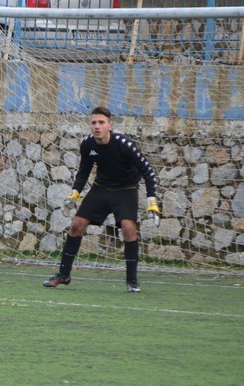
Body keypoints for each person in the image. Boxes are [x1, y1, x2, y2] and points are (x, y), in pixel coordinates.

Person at [43, 106, 160, 293]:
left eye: (101, 122)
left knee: (128, 229)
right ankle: (63, 275)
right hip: (101, 188)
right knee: (76, 225)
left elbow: (148, 171)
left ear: (109, 126)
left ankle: (132, 282)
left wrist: (151, 200)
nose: (97, 126)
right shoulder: (88, 145)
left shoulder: (125, 145)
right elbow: (84, 172)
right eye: (94, 123)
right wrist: (74, 194)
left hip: (126, 189)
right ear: (90, 125)